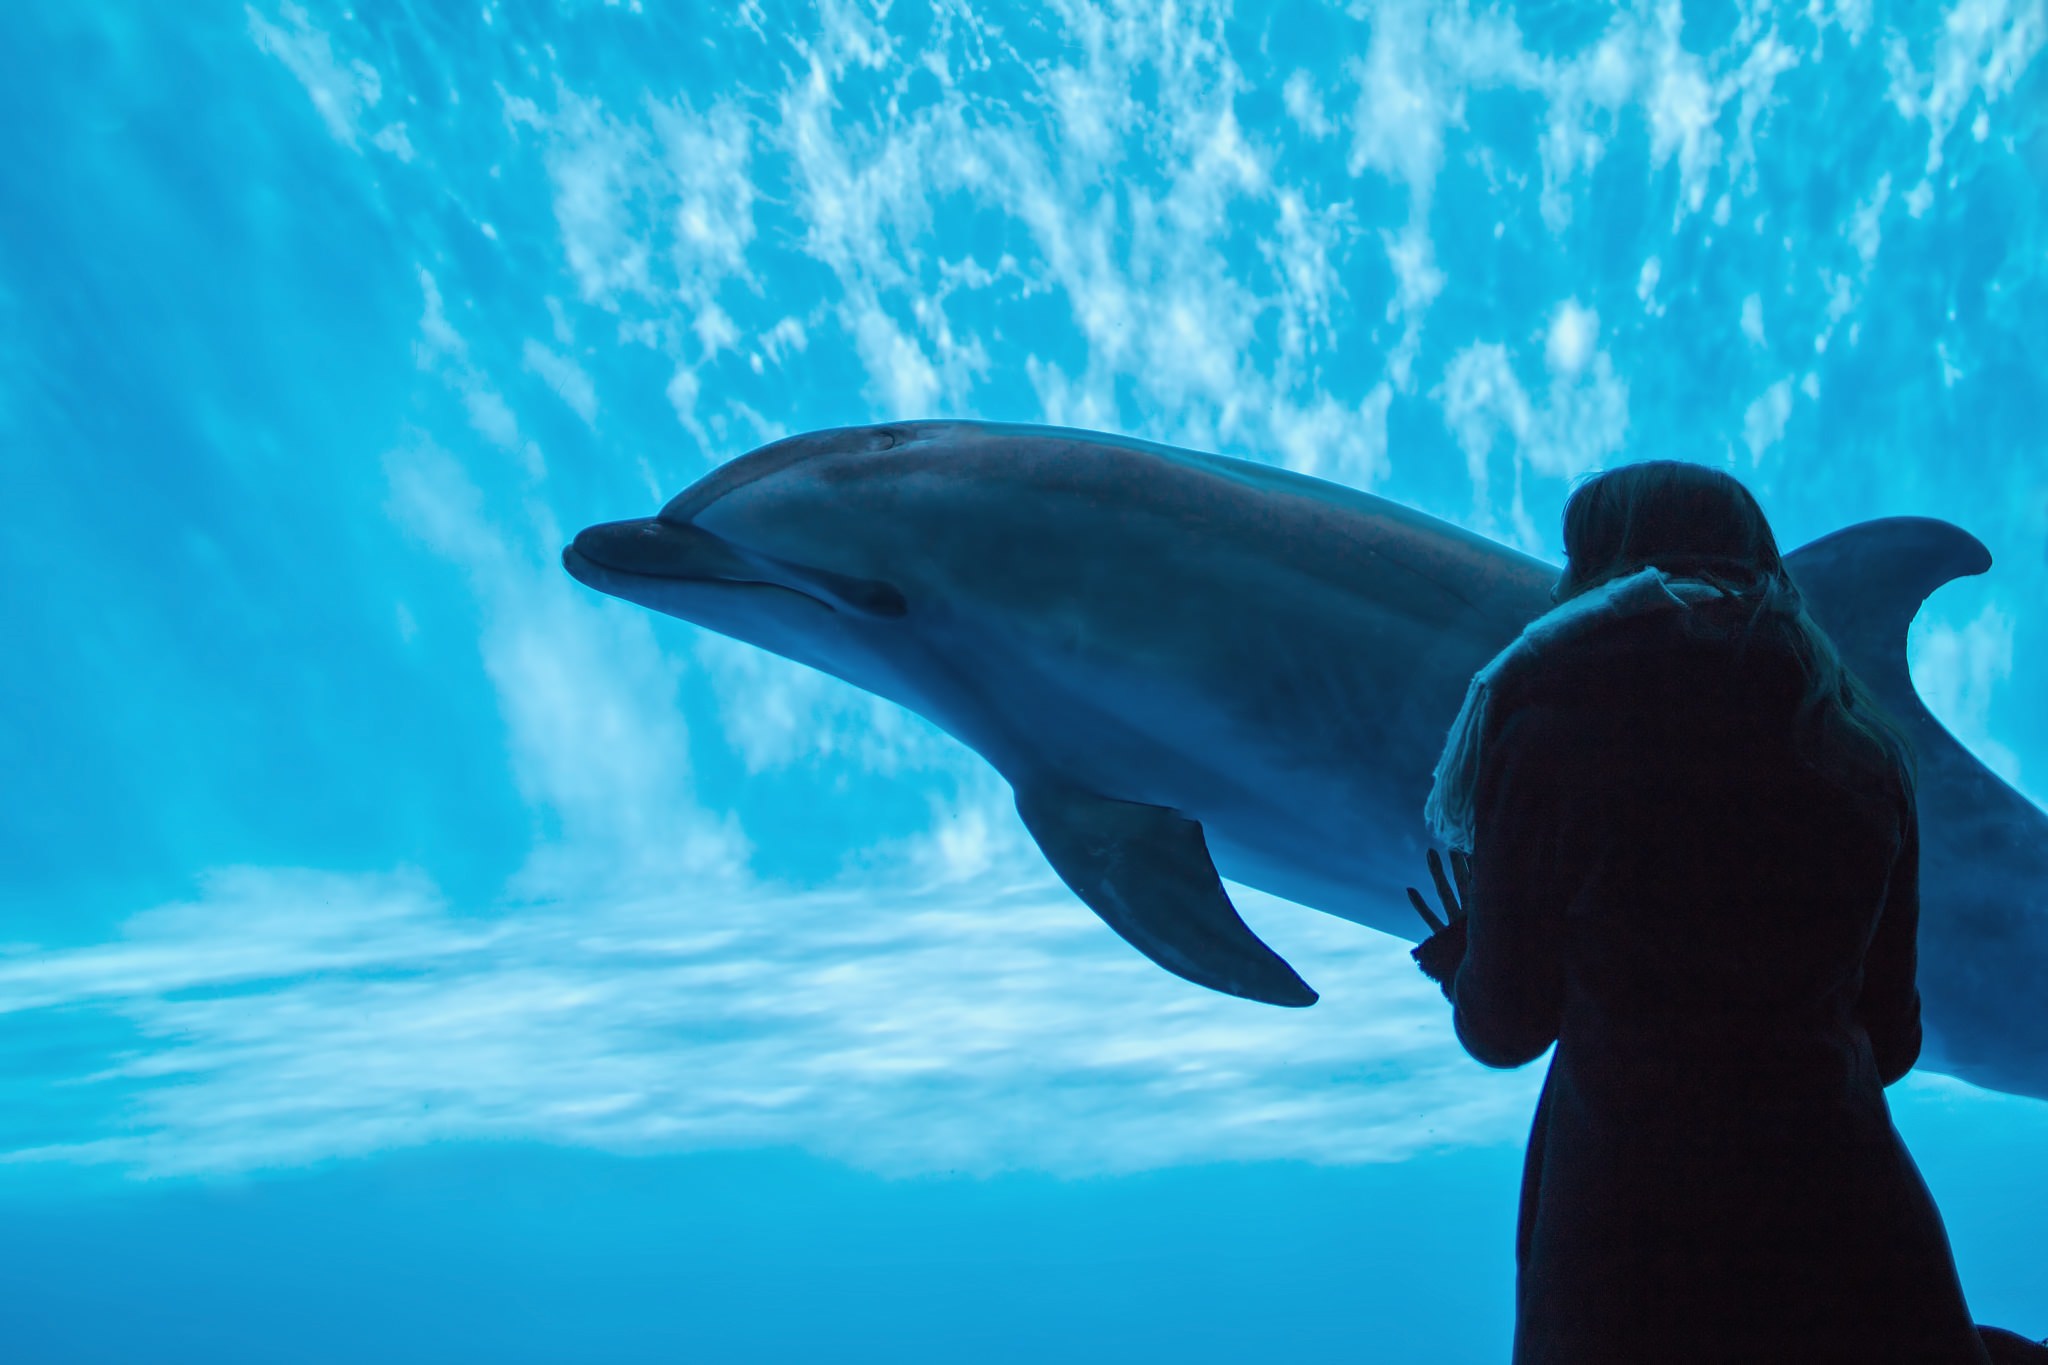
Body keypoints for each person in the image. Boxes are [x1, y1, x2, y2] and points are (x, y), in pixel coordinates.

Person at [1403, 460, 2047, 1363]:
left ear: (1597, 572)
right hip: (1849, 1223)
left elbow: (1505, 1027)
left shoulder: (1544, 728)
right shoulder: (1861, 746)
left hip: (1629, 1245)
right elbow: (1893, 1042)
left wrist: (1470, 958)